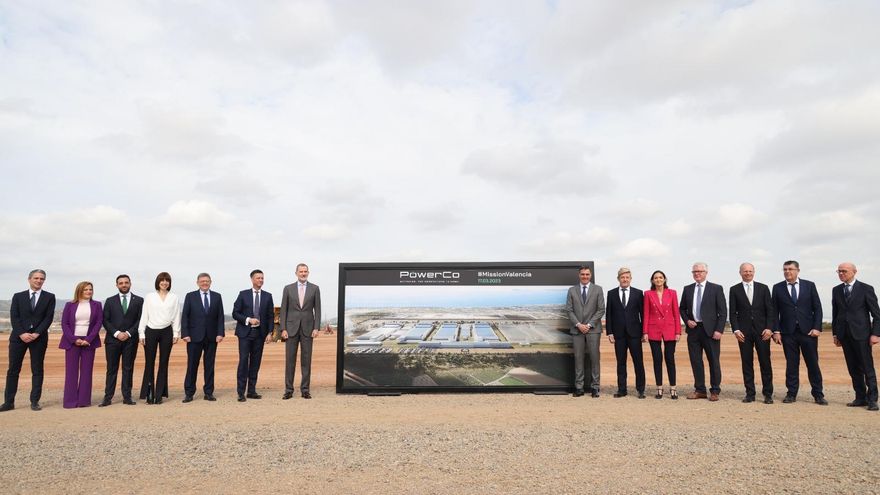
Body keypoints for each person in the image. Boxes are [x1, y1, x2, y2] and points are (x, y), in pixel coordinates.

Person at [771, 260, 826, 405]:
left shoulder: (809, 285)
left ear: (798, 270)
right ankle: (791, 394)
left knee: (813, 364)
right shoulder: (777, 288)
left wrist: (817, 327)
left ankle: (818, 394)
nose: (787, 272)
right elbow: (774, 312)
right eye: (785, 269)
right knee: (791, 365)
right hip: (788, 333)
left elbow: (818, 308)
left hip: (808, 332)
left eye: (790, 269)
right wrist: (776, 331)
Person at [2, 269, 56, 412]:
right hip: (18, 338)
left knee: (37, 370)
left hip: (39, 338)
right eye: (36, 278)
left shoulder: (50, 297)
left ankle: (34, 401)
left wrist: (37, 333)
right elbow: (14, 317)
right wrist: (21, 333)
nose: (39, 281)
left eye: (42, 279)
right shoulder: (18, 296)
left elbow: (48, 318)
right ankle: (8, 402)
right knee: (13, 370)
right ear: (29, 279)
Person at [831, 262, 880, 411]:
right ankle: (860, 397)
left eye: (844, 271)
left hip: (862, 335)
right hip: (845, 335)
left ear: (854, 272)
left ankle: (872, 399)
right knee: (853, 368)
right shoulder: (837, 290)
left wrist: (876, 334)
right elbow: (836, 313)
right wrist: (835, 334)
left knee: (867, 368)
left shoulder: (866, 289)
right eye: (838, 271)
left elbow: (876, 315)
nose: (841, 274)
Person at [679, 262, 727, 401]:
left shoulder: (716, 289)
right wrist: (687, 320)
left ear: (706, 272)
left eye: (700, 271)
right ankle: (700, 390)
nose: (697, 274)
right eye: (694, 272)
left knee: (714, 361)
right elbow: (682, 308)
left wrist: (719, 330)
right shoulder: (687, 289)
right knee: (696, 361)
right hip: (694, 330)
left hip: (711, 332)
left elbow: (723, 311)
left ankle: (715, 390)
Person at [728, 263, 775, 404]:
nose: (747, 273)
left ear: (754, 272)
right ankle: (750, 393)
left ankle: (768, 394)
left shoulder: (763, 288)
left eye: (750, 271)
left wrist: (769, 328)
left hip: (762, 332)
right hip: (743, 333)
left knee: (765, 363)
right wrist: (736, 330)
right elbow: (732, 312)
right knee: (746, 363)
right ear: (740, 273)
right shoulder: (734, 289)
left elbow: (770, 311)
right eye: (745, 271)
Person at [100, 274, 144, 406]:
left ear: (130, 284)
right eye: (121, 283)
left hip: (130, 341)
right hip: (113, 341)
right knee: (111, 369)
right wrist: (117, 333)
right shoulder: (110, 300)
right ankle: (108, 397)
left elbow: (140, 319)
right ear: (117, 285)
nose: (123, 285)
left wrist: (129, 333)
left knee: (128, 368)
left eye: (126, 282)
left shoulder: (139, 300)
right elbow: (105, 320)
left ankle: (127, 397)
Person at [280, 263, 322, 399]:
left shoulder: (315, 288)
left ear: (308, 273)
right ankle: (288, 390)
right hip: (291, 329)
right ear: (296, 273)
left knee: (306, 360)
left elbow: (318, 310)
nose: (303, 273)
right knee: (289, 361)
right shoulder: (288, 289)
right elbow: (283, 310)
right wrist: (283, 329)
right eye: (301, 271)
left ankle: (305, 389)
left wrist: (316, 327)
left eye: (305, 271)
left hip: (308, 329)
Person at [181, 273, 225, 402]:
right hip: (194, 337)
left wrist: (220, 333)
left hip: (212, 337)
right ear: (197, 282)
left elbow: (220, 317)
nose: (204, 283)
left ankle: (209, 392)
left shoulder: (217, 297)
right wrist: (185, 334)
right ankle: (189, 393)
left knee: (209, 366)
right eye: (202, 281)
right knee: (192, 366)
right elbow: (185, 316)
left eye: (207, 281)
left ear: (211, 282)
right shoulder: (190, 296)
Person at [231, 270, 274, 402]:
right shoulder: (243, 295)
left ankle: (251, 391)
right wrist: (248, 319)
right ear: (252, 279)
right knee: (244, 361)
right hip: (245, 333)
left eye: (262, 278)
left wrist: (270, 332)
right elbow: (235, 313)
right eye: (258, 278)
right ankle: (240, 392)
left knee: (255, 363)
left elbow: (270, 316)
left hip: (260, 334)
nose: (260, 280)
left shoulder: (268, 296)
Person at [138, 272, 181, 405]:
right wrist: (141, 333)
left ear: (169, 283)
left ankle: (159, 394)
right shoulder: (150, 296)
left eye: (167, 280)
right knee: (149, 363)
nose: (164, 283)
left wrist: (176, 333)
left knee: (163, 363)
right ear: (158, 282)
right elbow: (144, 315)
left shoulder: (174, 297)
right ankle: (149, 393)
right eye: (162, 280)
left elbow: (176, 316)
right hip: (150, 331)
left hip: (167, 332)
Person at [59, 281, 103, 408]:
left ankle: (84, 401)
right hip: (72, 342)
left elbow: (98, 323)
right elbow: (64, 323)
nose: (89, 291)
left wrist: (88, 339)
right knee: (71, 372)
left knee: (86, 372)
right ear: (79, 291)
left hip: (89, 342)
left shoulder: (97, 305)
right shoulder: (69, 305)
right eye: (85, 290)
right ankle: (70, 402)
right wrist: (74, 339)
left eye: (90, 289)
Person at [564, 265, 605, 397]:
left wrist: (589, 324)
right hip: (577, 330)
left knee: (594, 358)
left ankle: (595, 387)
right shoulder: (572, 290)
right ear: (579, 275)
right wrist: (578, 324)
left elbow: (601, 310)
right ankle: (579, 387)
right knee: (578, 359)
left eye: (587, 274)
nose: (585, 276)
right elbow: (569, 310)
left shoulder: (598, 289)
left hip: (593, 330)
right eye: (583, 274)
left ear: (590, 275)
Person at [605, 267, 645, 399]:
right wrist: (609, 332)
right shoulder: (611, 293)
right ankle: (622, 389)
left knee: (638, 362)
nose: (625, 279)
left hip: (635, 334)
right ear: (618, 279)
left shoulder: (638, 293)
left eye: (627, 277)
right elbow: (609, 314)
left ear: (631, 279)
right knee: (621, 362)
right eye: (622, 277)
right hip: (618, 334)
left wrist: (644, 332)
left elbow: (643, 315)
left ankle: (641, 390)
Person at [643, 270, 681, 399]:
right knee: (657, 359)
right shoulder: (648, 294)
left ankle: (673, 388)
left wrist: (678, 331)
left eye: (660, 277)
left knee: (670, 358)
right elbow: (646, 314)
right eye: (656, 278)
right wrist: (645, 332)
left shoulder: (672, 293)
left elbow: (676, 313)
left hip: (670, 329)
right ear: (652, 280)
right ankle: (659, 388)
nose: (658, 280)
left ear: (664, 279)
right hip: (653, 329)